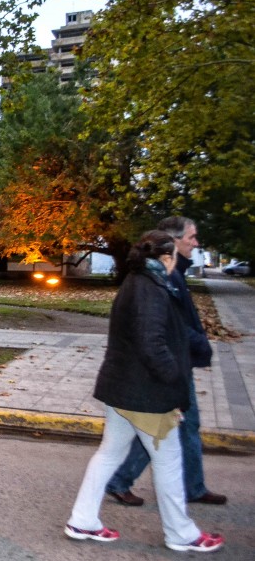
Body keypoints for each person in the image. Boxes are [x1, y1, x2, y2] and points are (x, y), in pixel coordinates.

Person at [64, 230, 223, 553]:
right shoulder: (150, 289)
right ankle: (181, 533)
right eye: (174, 257)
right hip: (146, 395)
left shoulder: (138, 283)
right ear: (165, 257)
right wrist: (176, 387)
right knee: (168, 461)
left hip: (124, 391)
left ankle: (82, 520)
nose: (175, 262)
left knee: (109, 454)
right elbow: (152, 345)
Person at [106, 216, 226, 507]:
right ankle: (178, 508)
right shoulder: (159, 279)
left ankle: (188, 489)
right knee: (163, 435)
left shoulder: (169, 274)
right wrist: (186, 358)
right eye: (192, 237)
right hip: (166, 368)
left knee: (169, 431)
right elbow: (161, 331)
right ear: (172, 243)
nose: (195, 243)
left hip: (169, 365)